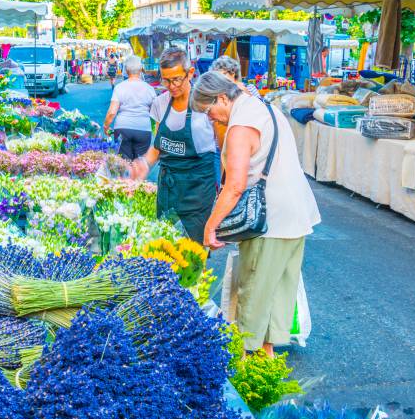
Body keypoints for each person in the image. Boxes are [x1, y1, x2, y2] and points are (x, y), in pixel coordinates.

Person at [191, 71, 320, 357]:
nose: (210, 119)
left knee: (255, 293)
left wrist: (210, 227)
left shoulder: (241, 126)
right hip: (296, 213)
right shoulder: (265, 107)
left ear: (222, 98)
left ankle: (247, 362)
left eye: (208, 111)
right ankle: (267, 357)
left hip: (269, 219)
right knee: (277, 291)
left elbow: (235, 186)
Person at [131, 47, 218, 244]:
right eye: (165, 80)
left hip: (197, 190)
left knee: (192, 250)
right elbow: (158, 145)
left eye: (176, 79)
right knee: (165, 244)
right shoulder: (160, 103)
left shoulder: (206, 104)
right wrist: (144, 164)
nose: (170, 86)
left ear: (191, 73)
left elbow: (223, 149)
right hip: (168, 188)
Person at [103, 56, 157, 160]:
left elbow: (112, 112)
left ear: (126, 70)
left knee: (123, 165)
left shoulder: (119, 87)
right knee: (139, 164)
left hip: (123, 129)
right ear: (141, 69)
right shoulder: (149, 89)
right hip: (143, 130)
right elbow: (155, 112)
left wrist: (106, 126)